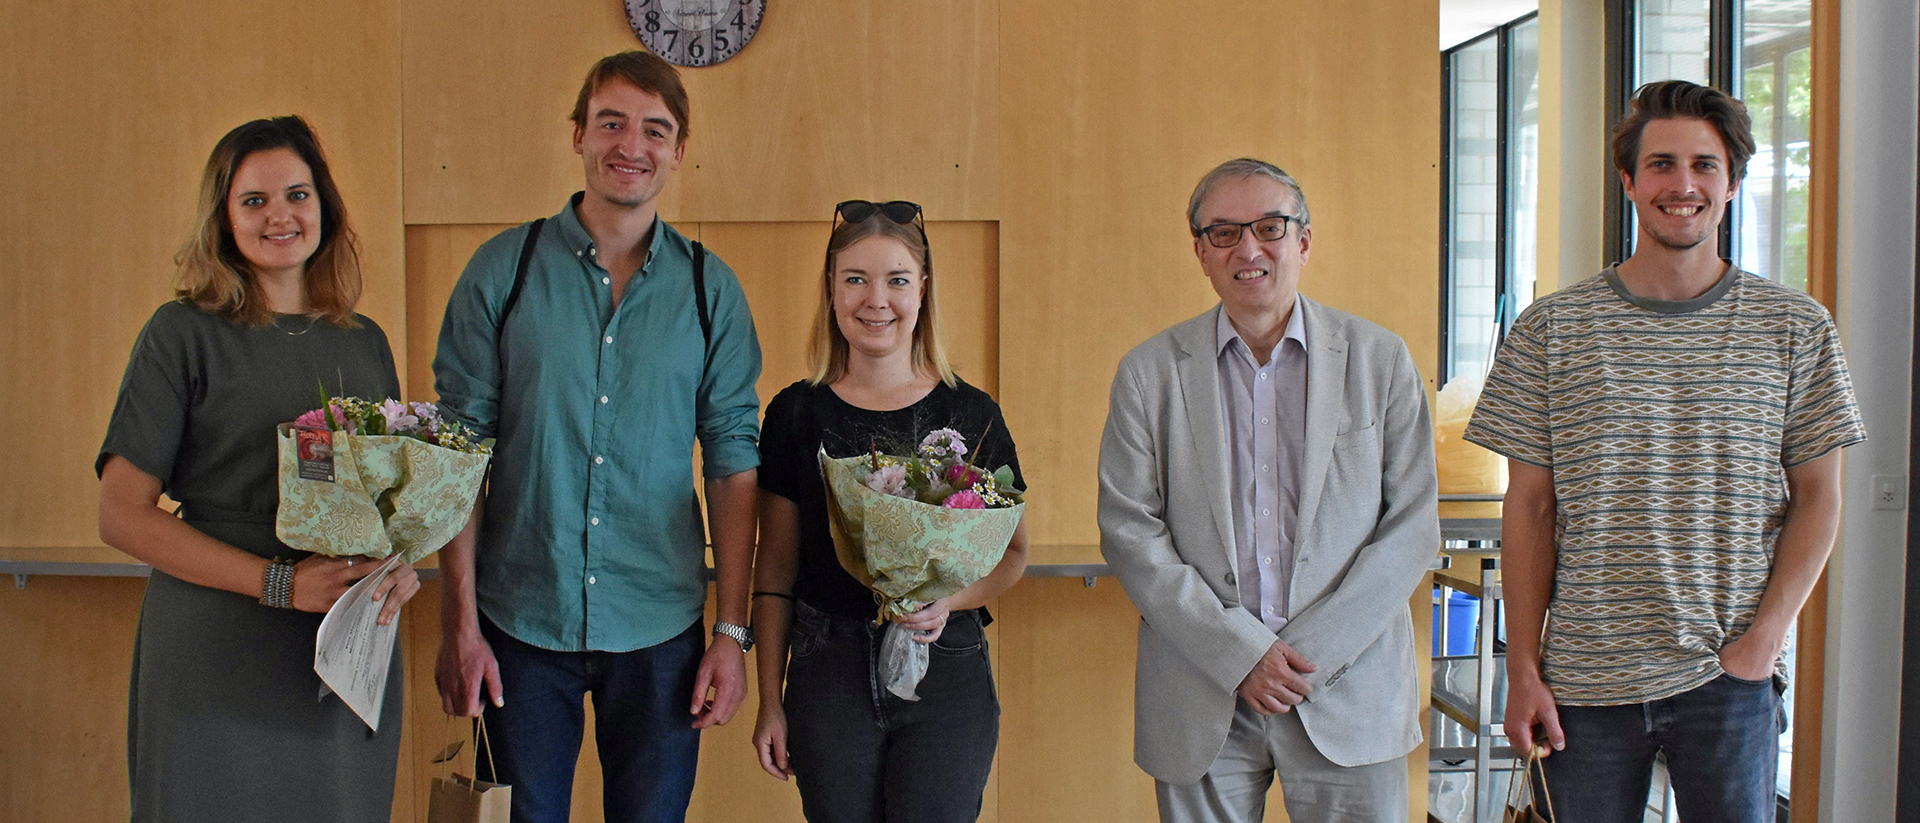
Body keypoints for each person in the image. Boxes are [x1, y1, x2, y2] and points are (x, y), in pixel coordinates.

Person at [1467, 80, 1866, 823]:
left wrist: (1763, 645)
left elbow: (1821, 497)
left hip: (1729, 677)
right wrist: (1522, 669)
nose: (1682, 185)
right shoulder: (1552, 329)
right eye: (1660, 165)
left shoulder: (1795, 328)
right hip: (1584, 681)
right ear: (1629, 181)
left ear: (1733, 180)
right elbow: (1528, 507)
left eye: (1704, 165)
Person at [431, 50, 763, 823]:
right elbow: (456, 456)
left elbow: (733, 462)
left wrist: (732, 633)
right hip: (518, 624)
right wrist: (460, 626)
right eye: (611, 122)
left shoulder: (711, 291)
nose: (631, 144)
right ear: (578, 133)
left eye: (655, 129)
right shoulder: (500, 273)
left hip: (662, 631)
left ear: (679, 152)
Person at [96, 115, 419, 822]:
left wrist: (398, 565)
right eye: (254, 201)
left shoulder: (365, 342)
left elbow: (382, 501)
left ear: (324, 207)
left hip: (336, 656)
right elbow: (120, 513)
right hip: (215, 646)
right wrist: (278, 584)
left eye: (297, 195)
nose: (280, 215)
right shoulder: (181, 333)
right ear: (224, 217)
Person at [1097, 158, 1440, 823]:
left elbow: (1412, 527)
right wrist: (1241, 653)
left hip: (1348, 685)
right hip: (1202, 691)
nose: (1248, 248)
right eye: (1223, 232)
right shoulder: (1149, 372)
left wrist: (1304, 657)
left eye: (1270, 227)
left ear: (1304, 241)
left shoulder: (1380, 359)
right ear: (1200, 252)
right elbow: (1130, 531)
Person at [749, 199, 1030, 822]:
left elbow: (1012, 553)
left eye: (897, 280)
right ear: (830, 288)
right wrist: (771, 700)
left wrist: (947, 601)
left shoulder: (970, 414)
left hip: (947, 665)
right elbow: (774, 576)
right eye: (856, 279)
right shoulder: (796, 414)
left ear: (923, 290)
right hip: (826, 670)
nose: (876, 299)